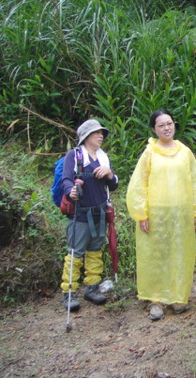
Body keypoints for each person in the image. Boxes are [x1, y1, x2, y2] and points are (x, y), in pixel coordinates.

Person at [127, 110, 196, 321]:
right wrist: (142, 214)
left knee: (180, 253)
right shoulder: (149, 153)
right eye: (161, 125)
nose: (166, 128)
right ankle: (156, 300)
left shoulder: (184, 152)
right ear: (154, 129)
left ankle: (178, 296)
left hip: (181, 213)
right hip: (157, 214)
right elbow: (139, 184)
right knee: (157, 255)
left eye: (169, 123)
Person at [60, 119, 119, 311]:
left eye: (101, 133)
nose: (100, 136)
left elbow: (114, 185)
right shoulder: (74, 156)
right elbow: (66, 180)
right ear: (86, 137)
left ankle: (92, 288)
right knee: (75, 253)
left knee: (95, 251)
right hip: (80, 214)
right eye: (96, 133)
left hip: (99, 213)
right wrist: (71, 191)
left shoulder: (103, 158)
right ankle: (69, 292)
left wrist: (109, 174)